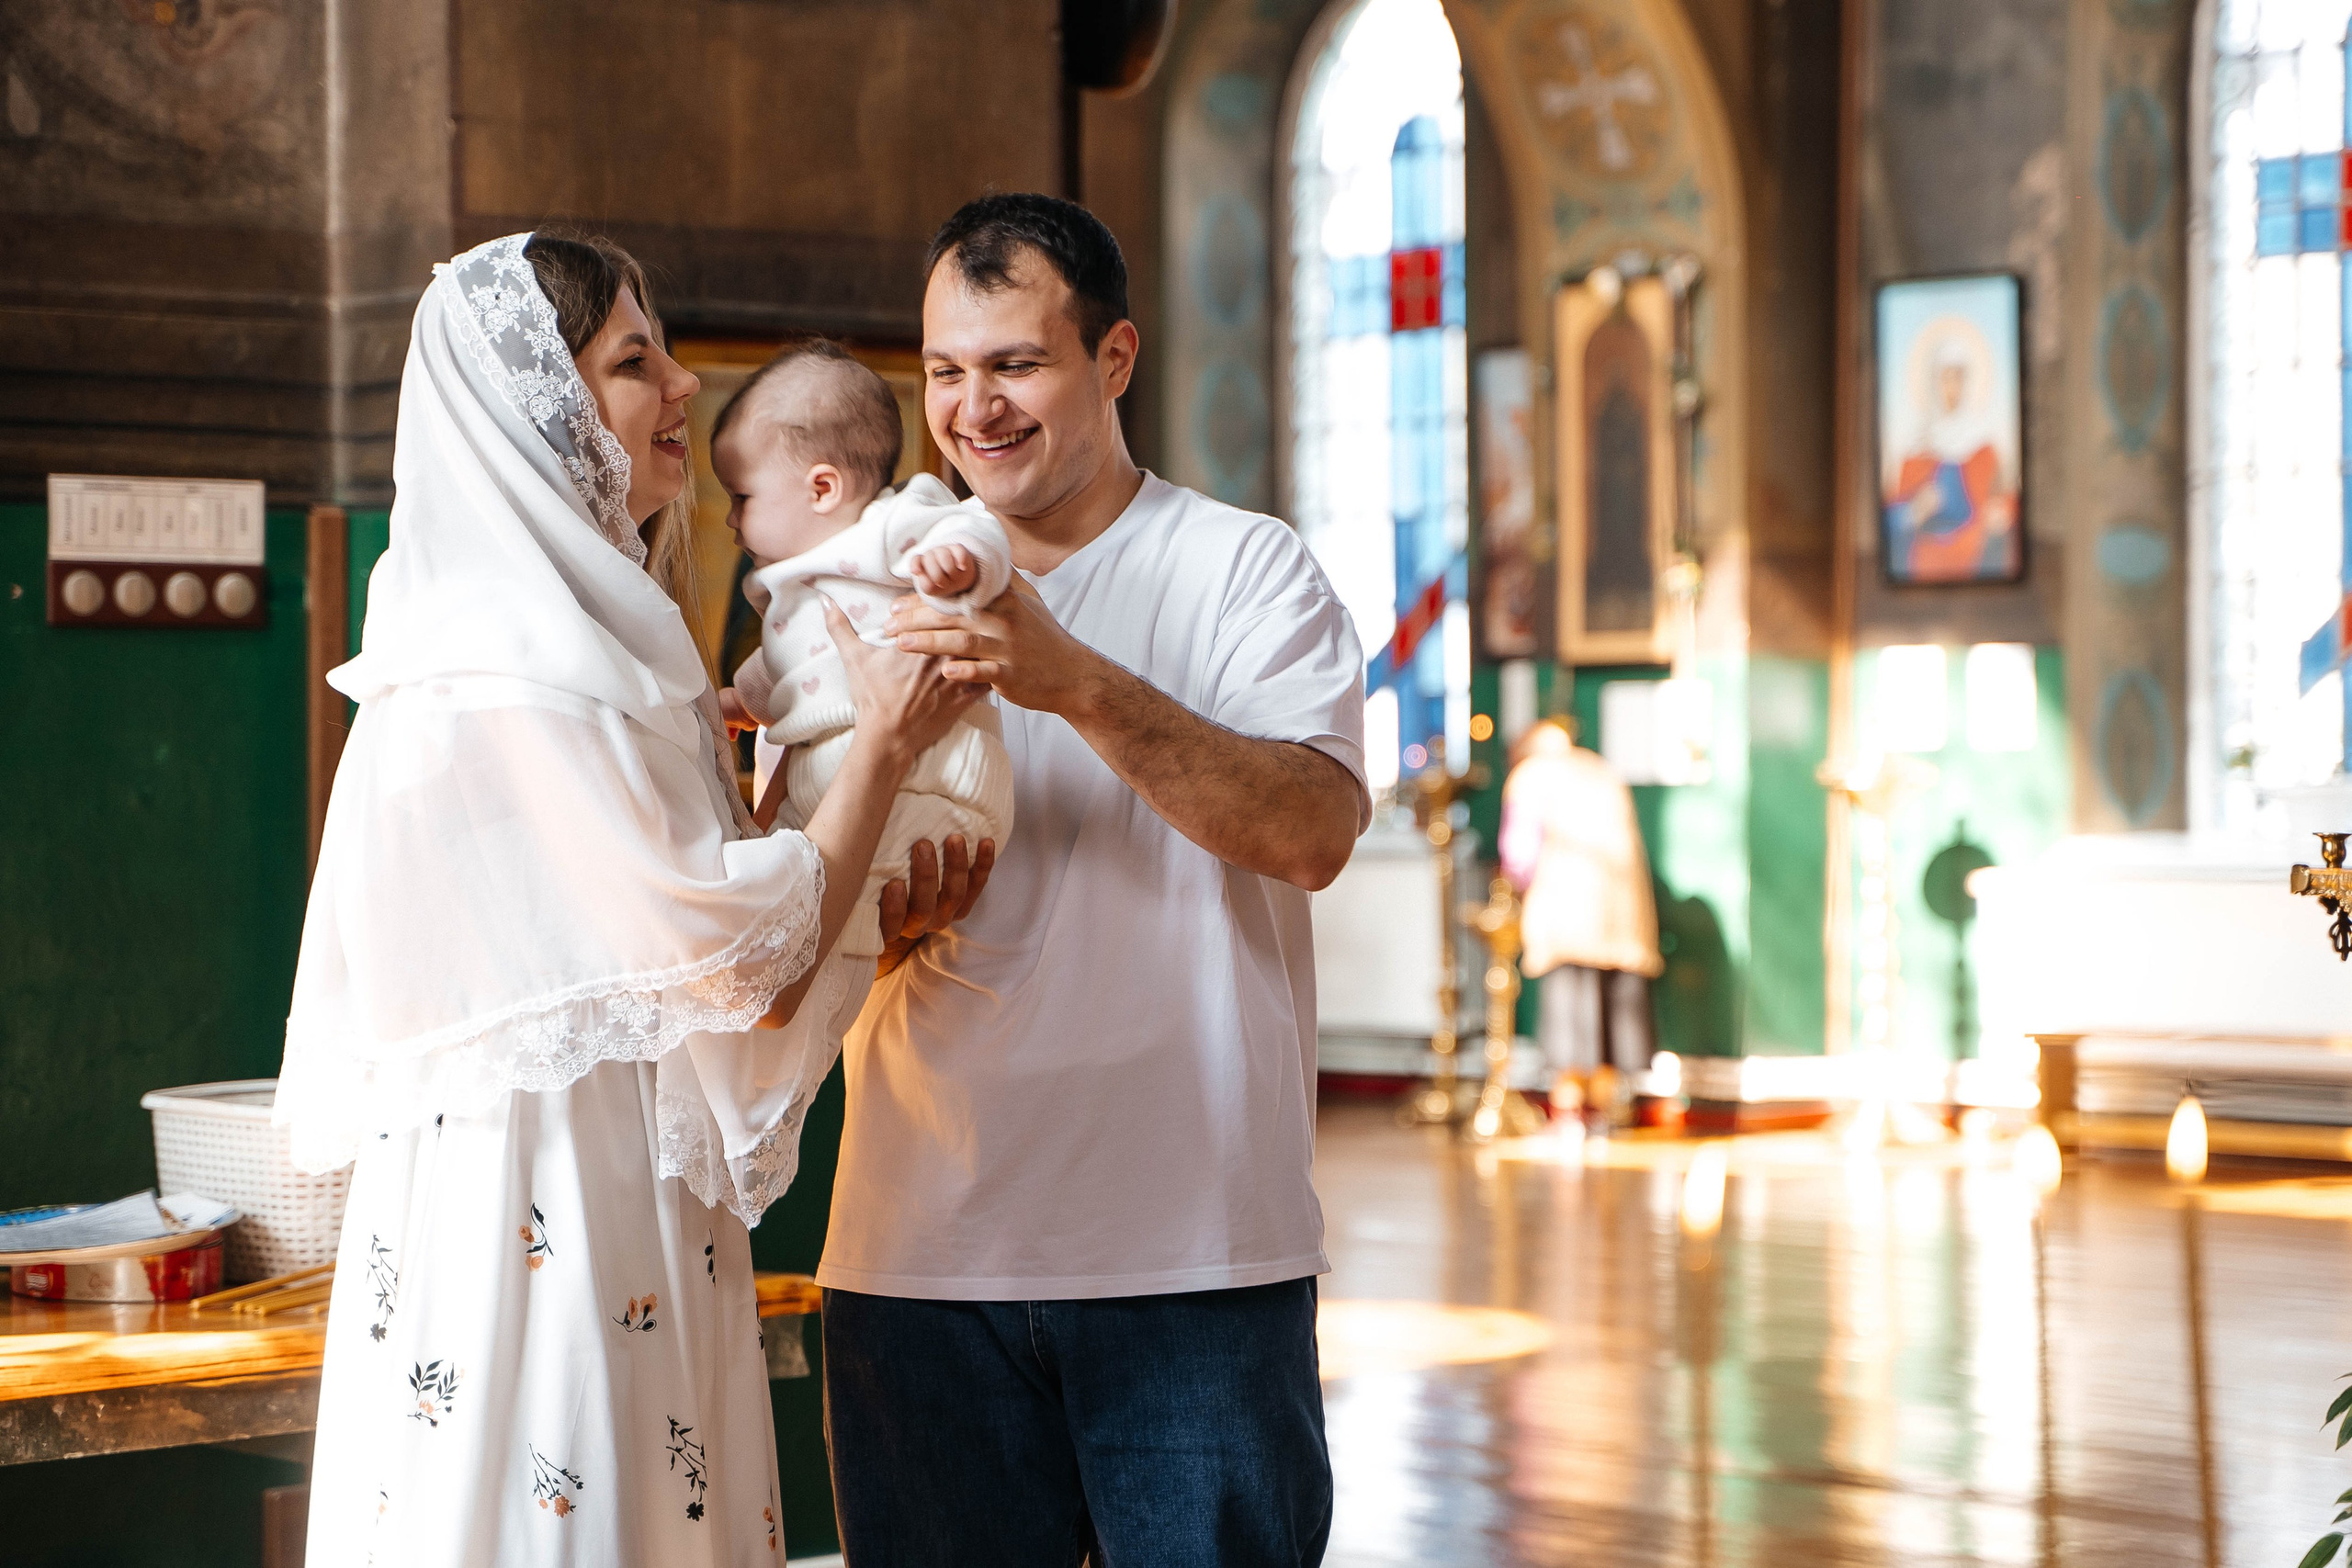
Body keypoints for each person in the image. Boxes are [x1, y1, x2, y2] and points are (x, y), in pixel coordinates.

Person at [277, 232, 976, 1565]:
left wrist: (831, 875)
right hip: (544, 1208)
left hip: (628, 1190)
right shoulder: (506, 659)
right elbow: (722, 957)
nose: (685, 386)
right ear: (538, 414)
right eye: (633, 359)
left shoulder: (590, 637)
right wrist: (880, 748)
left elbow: (695, 948)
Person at [817, 192, 1368, 1567]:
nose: (974, 408)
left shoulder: (1246, 569)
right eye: (945, 370)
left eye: (1016, 364)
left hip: (1192, 1257)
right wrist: (870, 919)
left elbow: (1311, 829)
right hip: (919, 1250)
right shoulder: (864, 582)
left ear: (1114, 359)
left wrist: (1077, 685)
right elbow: (788, 886)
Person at [711, 338, 1017, 1110]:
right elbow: (781, 671)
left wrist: (959, 566)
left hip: (936, 762)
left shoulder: (889, 522)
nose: (730, 519)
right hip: (866, 757)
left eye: (742, 496)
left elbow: (976, 527)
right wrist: (737, 703)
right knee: (805, 888)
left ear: (822, 487)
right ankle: (793, 1010)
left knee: (810, 895)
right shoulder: (786, 589)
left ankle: (789, 1014)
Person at [1497, 717, 1662, 1126]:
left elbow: (1519, 852)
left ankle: (1568, 1110)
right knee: (1611, 1014)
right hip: (1621, 914)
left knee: (1568, 1017)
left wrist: (1508, 887)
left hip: (1565, 912)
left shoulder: (1531, 776)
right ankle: (1610, 1108)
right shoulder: (1600, 770)